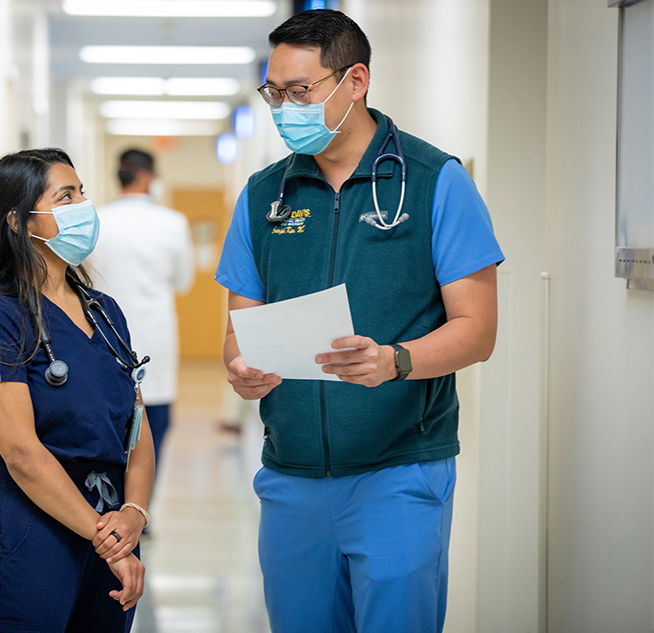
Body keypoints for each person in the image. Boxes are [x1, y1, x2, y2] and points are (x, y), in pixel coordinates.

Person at [214, 9, 504, 633]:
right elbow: (239, 329)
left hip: (398, 471)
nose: (284, 107)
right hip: (291, 476)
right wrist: (239, 369)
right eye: (274, 93)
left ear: (356, 80)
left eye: (300, 92)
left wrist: (394, 361)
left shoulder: (434, 182)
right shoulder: (265, 194)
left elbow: (478, 330)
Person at [0, 148, 155, 633]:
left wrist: (134, 513)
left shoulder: (105, 312)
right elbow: (21, 451)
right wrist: (105, 537)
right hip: (35, 525)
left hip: (110, 521)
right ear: (19, 222)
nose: (84, 205)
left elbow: (137, 431)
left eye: (82, 192)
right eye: (66, 197)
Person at [90, 149, 194, 477]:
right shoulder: (172, 223)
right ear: (148, 176)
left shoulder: (95, 221)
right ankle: (141, 508)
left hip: (100, 338)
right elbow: (184, 282)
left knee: (103, 425)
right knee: (153, 427)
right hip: (153, 342)